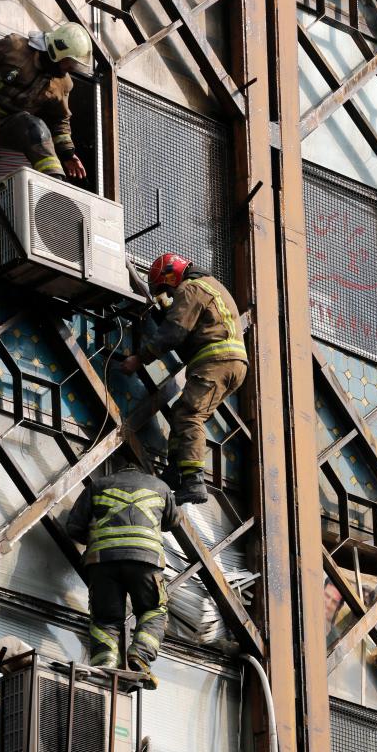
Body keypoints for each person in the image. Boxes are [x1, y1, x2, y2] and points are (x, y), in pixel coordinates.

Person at [120, 253, 248, 505]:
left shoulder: (191, 288)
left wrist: (139, 358)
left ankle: (193, 481)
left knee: (191, 415)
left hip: (215, 361)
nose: (168, 293)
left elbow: (174, 332)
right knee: (183, 411)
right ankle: (176, 471)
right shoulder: (210, 285)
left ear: (171, 275)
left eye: (167, 288)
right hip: (232, 364)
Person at [66, 452, 181, 689]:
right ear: (144, 471)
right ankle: (140, 654)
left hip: (102, 561)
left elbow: (74, 527)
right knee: (153, 610)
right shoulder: (160, 486)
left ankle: (106, 663)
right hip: (145, 561)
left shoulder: (97, 485)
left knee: (105, 619)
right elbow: (173, 521)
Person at [0, 22, 92, 181]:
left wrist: (67, 153)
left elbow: (59, 119)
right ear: (58, 50)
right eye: (69, 62)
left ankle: (52, 189)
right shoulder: (15, 47)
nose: (70, 69)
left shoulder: (62, 84)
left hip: (12, 123)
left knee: (38, 131)